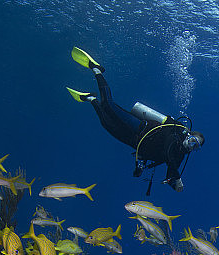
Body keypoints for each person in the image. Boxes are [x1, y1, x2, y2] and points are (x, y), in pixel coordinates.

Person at [65, 47, 204, 193]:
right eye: (193, 141)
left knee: (106, 124)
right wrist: (177, 176)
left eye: (195, 147)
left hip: (134, 142)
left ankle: (91, 99)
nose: (191, 146)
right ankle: (97, 69)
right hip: (138, 127)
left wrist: (175, 185)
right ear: (189, 135)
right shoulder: (177, 134)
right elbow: (169, 152)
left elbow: (169, 173)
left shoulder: (180, 155)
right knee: (108, 106)